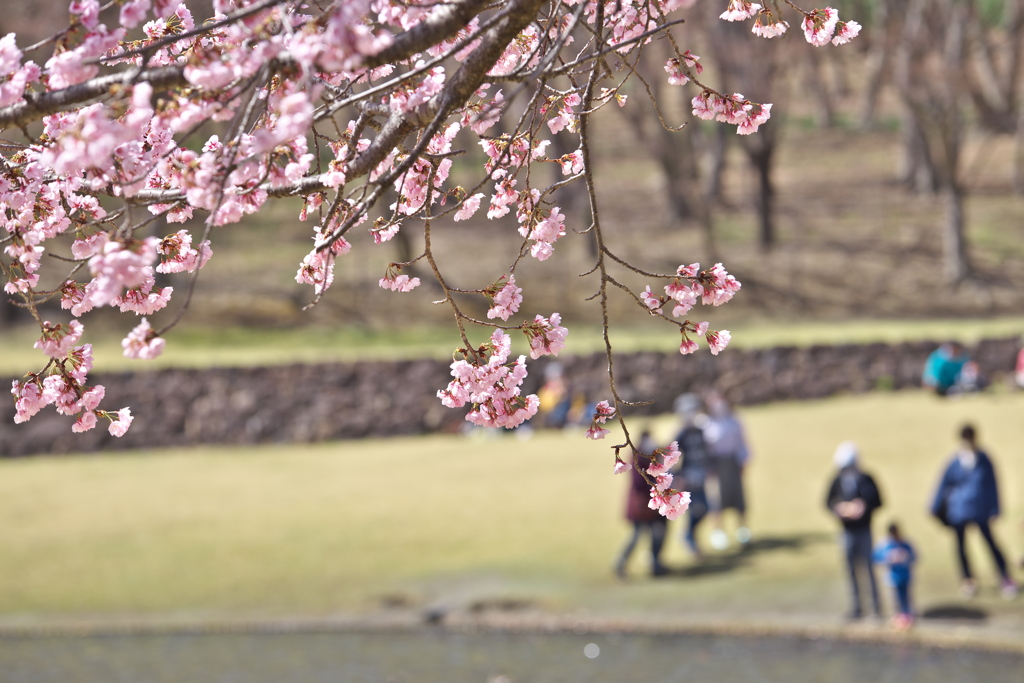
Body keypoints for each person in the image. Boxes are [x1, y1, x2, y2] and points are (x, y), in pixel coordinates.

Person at [930, 424, 1018, 599]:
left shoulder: (984, 459)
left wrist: (995, 508)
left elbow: (993, 485)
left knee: (990, 543)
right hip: (959, 510)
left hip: (980, 509)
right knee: (961, 546)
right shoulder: (955, 461)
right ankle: (968, 579)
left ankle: (1004, 577)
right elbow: (944, 483)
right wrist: (934, 506)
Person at [826, 441, 883, 620]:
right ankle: (856, 607)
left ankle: (876, 608)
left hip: (864, 531)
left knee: (868, 568)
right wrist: (839, 508)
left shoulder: (867, 479)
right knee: (850, 570)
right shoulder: (837, 480)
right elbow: (827, 501)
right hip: (846, 532)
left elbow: (879, 501)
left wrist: (863, 506)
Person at [614, 430, 669, 579]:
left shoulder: (653, 457)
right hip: (640, 506)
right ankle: (620, 564)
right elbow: (640, 483)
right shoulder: (637, 458)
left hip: (652, 505)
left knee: (657, 533)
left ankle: (655, 563)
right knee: (637, 535)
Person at [702, 391, 751, 550]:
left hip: (733, 462)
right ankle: (719, 532)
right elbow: (704, 448)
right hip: (715, 465)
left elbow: (742, 442)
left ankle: (742, 530)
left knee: (738, 496)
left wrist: (743, 460)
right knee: (717, 498)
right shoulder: (705, 423)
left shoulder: (733, 420)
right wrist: (708, 467)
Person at [672, 394, 710, 557]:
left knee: (706, 508)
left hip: (701, 475)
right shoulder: (682, 434)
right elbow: (673, 457)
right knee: (694, 510)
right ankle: (689, 539)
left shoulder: (702, 430)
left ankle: (689, 536)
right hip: (689, 478)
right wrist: (678, 477)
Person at [873, 522, 917, 630]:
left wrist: (905, 557)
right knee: (895, 598)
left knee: (906, 597)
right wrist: (888, 558)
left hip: (905, 576)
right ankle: (897, 617)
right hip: (892, 577)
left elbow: (914, 556)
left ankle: (907, 616)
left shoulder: (905, 543)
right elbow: (876, 557)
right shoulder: (885, 544)